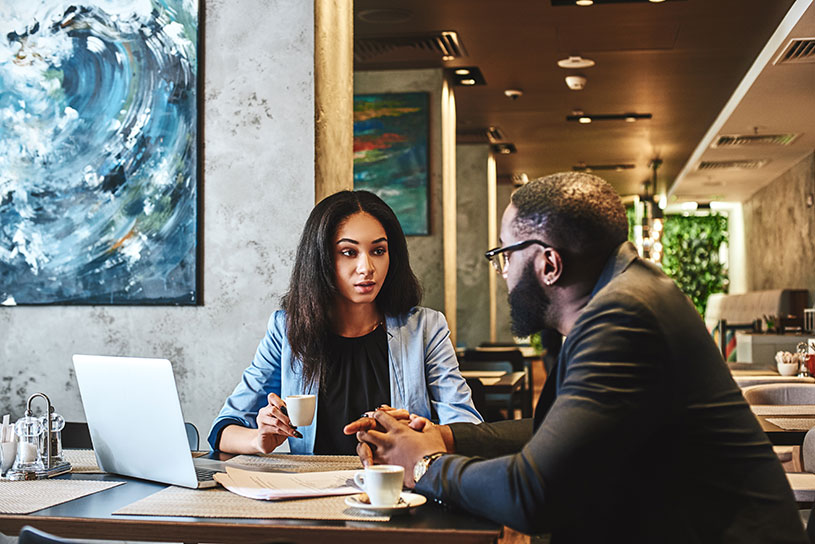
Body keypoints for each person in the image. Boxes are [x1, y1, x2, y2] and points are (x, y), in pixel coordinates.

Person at [345, 173, 807, 542]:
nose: (503, 275)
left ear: (548, 264)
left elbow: (534, 494)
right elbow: (557, 430)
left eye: (505, 256)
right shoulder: (627, 293)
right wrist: (446, 437)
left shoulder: (622, 317)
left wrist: (425, 465)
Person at [207, 190, 481, 456]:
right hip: (308, 494)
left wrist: (421, 432)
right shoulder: (287, 330)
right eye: (349, 252)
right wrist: (260, 439)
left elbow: (469, 430)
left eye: (378, 250)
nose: (367, 268)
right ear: (321, 259)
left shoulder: (426, 329)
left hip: (398, 489)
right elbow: (223, 430)